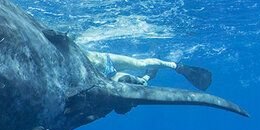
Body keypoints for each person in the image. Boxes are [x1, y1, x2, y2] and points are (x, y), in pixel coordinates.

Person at [84, 50, 213, 91]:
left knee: (140, 64)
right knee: (126, 83)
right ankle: (147, 77)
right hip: (102, 75)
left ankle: (175, 66)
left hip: (105, 61)